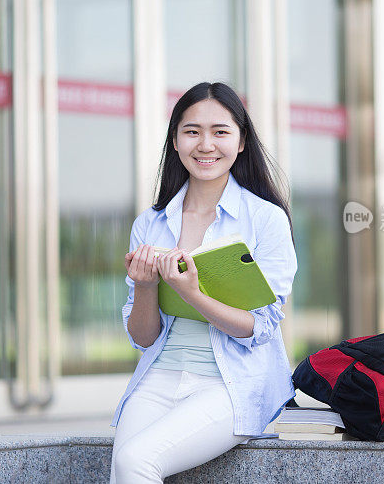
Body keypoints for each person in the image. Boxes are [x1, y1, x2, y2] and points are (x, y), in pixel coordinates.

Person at [109, 82, 298, 483]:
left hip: (231, 384)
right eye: (192, 131)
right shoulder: (150, 223)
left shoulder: (265, 220)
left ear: (242, 141)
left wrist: (191, 294)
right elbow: (143, 338)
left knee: (135, 462)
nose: (205, 144)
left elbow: (259, 328)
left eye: (221, 131)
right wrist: (145, 287)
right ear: (175, 141)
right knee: (125, 463)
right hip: (159, 377)